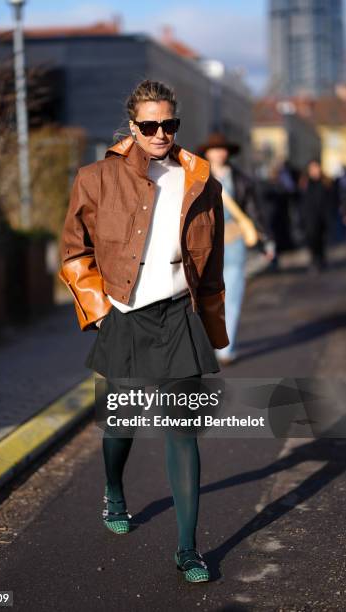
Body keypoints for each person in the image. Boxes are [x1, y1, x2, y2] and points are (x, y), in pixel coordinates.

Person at [59, 80, 229, 584]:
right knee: (122, 421)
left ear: (176, 125)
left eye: (168, 125)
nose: (160, 133)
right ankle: (114, 488)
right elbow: (73, 251)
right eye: (150, 125)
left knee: (182, 431)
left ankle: (188, 549)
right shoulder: (95, 178)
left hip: (179, 314)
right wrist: (102, 311)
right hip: (125, 313)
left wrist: (211, 320)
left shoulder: (199, 180)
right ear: (133, 126)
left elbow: (211, 263)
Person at [196, 133, 273, 366]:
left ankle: (225, 350)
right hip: (205, 245)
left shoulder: (241, 179)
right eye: (214, 149)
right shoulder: (195, 178)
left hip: (234, 242)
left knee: (233, 296)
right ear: (207, 153)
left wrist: (265, 241)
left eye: (222, 149)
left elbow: (253, 212)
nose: (219, 153)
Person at [299, 159, 336, 273]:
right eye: (312, 168)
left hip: (323, 217)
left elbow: (332, 200)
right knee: (311, 240)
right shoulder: (304, 183)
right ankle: (314, 260)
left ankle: (321, 260)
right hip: (310, 217)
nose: (314, 171)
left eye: (316, 168)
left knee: (321, 240)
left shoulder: (327, 183)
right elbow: (301, 201)